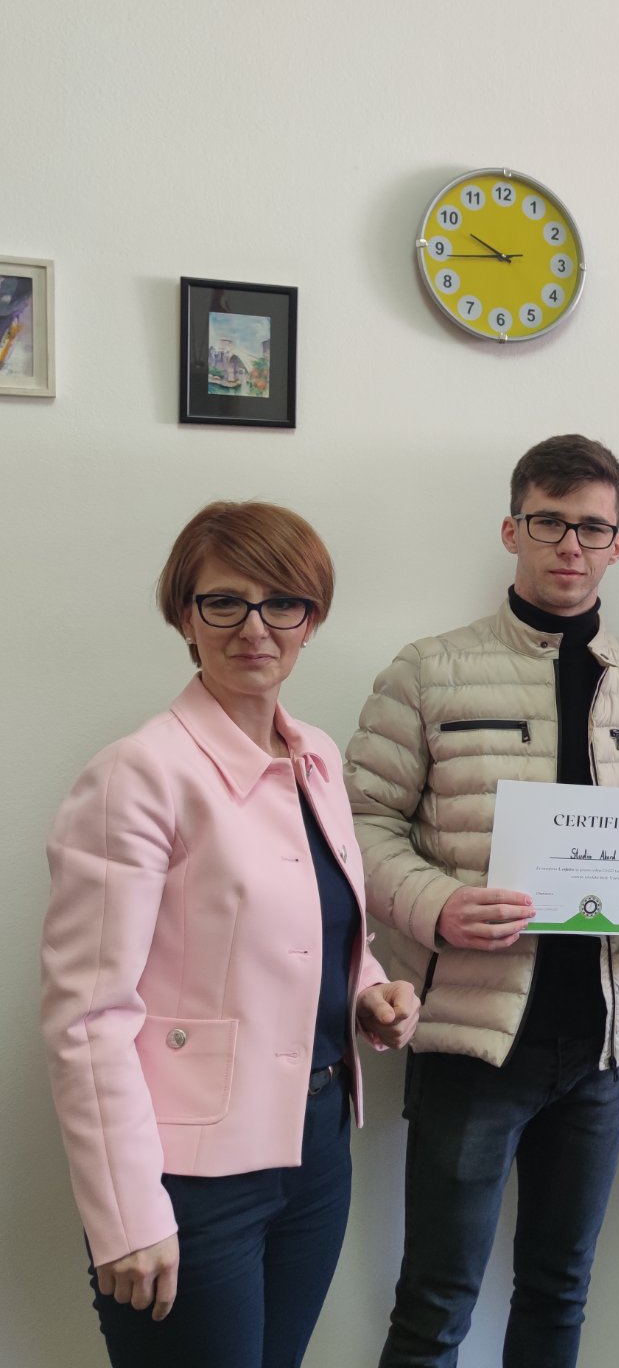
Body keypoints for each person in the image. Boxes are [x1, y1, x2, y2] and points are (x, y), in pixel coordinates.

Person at [346, 433, 619, 1368]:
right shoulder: (428, 670)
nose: (570, 546)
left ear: (618, 544)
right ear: (512, 529)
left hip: (603, 1042)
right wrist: (436, 905)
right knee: (436, 1303)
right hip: (474, 1040)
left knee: (560, 1290)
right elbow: (358, 824)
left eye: (592, 528)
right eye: (549, 523)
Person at [39, 501, 420, 1368]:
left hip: (316, 1150)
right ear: (186, 617)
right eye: (224, 602)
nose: (255, 627)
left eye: (282, 602)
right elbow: (87, 1017)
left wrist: (370, 990)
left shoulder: (316, 755)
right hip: (189, 1176)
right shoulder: (139, 775)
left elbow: (317, 928)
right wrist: (127, 1214)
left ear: (311, 619)